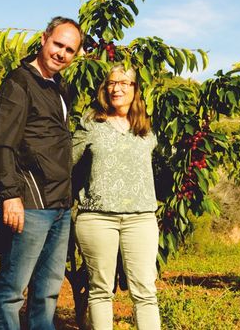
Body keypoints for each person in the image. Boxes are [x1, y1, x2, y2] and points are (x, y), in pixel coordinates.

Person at [0, 16, 83, 330]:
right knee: (12, 291)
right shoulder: (20, 82)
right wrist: (10, 195)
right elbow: (1, 144)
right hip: (30, 203)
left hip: (59, 205)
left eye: (69, 50)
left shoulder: (58, 86)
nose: (61, 53)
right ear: (43, 39)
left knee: (47, 291)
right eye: (58, 44)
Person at [72, 64, 161, 329]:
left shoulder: (145, 129)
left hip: (141, 218)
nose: (116, 88)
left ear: (135, 89)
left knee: (145, 291)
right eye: (111, 83)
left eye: (124, 82)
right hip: (97, 218)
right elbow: (66, 163)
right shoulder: (90, 124)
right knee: (100, 290)